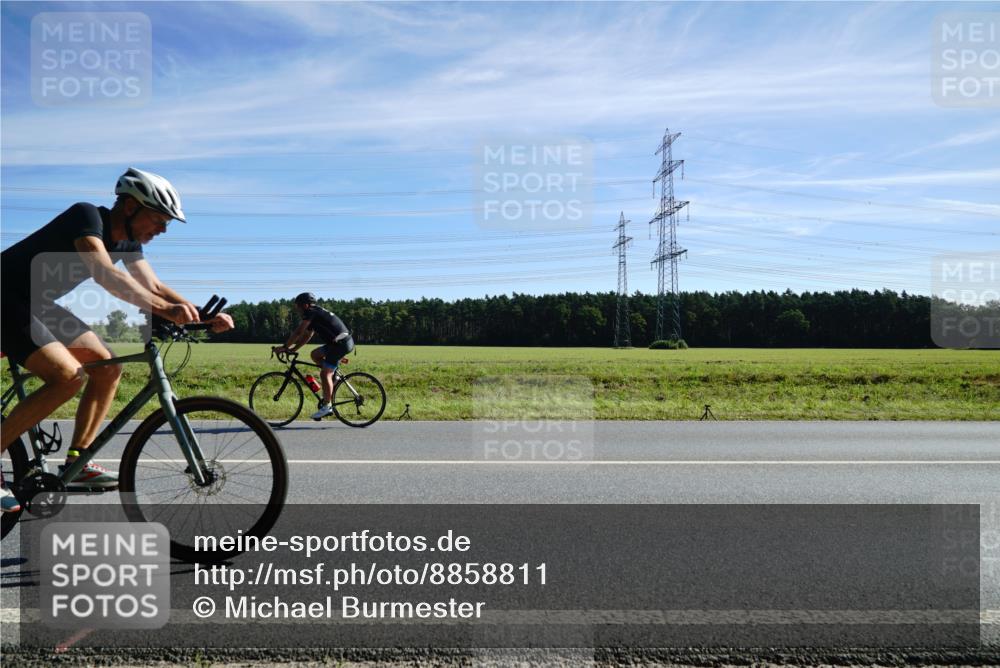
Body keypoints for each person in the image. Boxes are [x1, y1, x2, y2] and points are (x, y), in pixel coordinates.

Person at [0, 167, 234, 510]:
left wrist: (200, 312)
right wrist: (167, 310)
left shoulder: (129, 243)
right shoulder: (86, 217)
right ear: (129, 206)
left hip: (39, 304)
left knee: (107, 368)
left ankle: (78, 461)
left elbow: (153, 287)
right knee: (67, 376)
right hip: (7, 296)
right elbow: (104, 273)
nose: (163, 229)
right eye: (158, 218)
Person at [273, 292, 354, 420]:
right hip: (338, 343)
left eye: (298, 307)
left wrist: (284, 347)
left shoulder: (311, 312)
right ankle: (334, 375)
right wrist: (293, 349)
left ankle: (327, 406)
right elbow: (307, 335)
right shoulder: (315, 313)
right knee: (315, 355)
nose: (298, 310)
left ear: (305, 305)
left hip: (340, 344)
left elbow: (299, 331)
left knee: (324, 374)